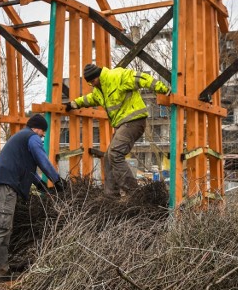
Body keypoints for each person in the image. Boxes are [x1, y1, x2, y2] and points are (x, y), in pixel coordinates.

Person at [0, 114, 64, 281]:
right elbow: (42, 159)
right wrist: (56, 180)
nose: (42, 137)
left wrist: (38, 183)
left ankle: (1, 271)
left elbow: (25, 166)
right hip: (5, 186)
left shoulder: (20, 138)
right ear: (37, 128)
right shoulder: (32, 137)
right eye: (42, 133)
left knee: (4, 228)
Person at [65, 63, 171, 197]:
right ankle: (111, 196)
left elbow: (142, 78)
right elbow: (90, 99)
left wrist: (163, 89)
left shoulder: (117, 75)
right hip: (122, 125)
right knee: (108, 157)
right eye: (90, 83)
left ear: (98, 76)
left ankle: (134, 193)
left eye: (93, 81)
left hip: (134, 121)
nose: (93, 84)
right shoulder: (99, 90)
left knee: (115, 153)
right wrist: (74, 104)